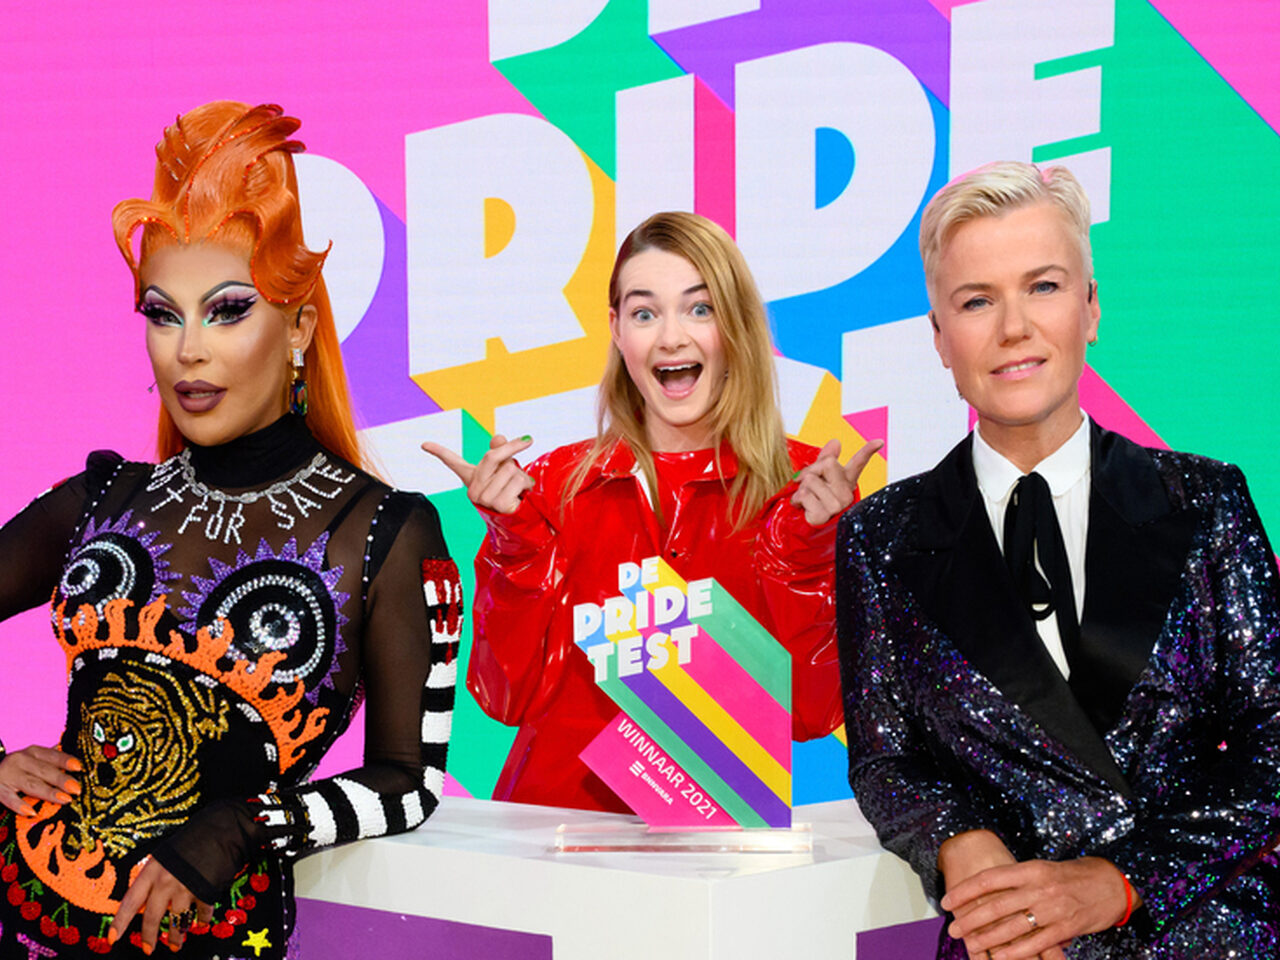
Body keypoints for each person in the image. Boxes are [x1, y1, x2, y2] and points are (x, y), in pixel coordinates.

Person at [0, 102, 460, 958]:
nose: (188, 350)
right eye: (162, 313)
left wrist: (248, 824)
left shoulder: (389, 533)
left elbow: (410, 783)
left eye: (227, 310)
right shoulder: (102, 497)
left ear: (301, 327)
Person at [836, 160, 1280, 959]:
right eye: (977, 301)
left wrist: (1120, 882)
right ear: (939, 338)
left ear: (1091, 307)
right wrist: (958, 840)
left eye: (1042, 286)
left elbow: (1273, 743)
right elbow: (885, 760)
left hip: (1206, 937)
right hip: (1006, 942)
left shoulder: (1205, 502)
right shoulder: (882, 537)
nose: (1014, 328)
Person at [424, 211, 879, 812]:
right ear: (616, 330)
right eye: (644, 313)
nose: (671, 338)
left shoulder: (802, 493)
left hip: (718, 842)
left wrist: (808, 552)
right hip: (554, 834)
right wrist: (517, 543)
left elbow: (815, 715)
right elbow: (502, 699)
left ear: (737, 325)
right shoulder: (552, 486)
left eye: (699, 308)